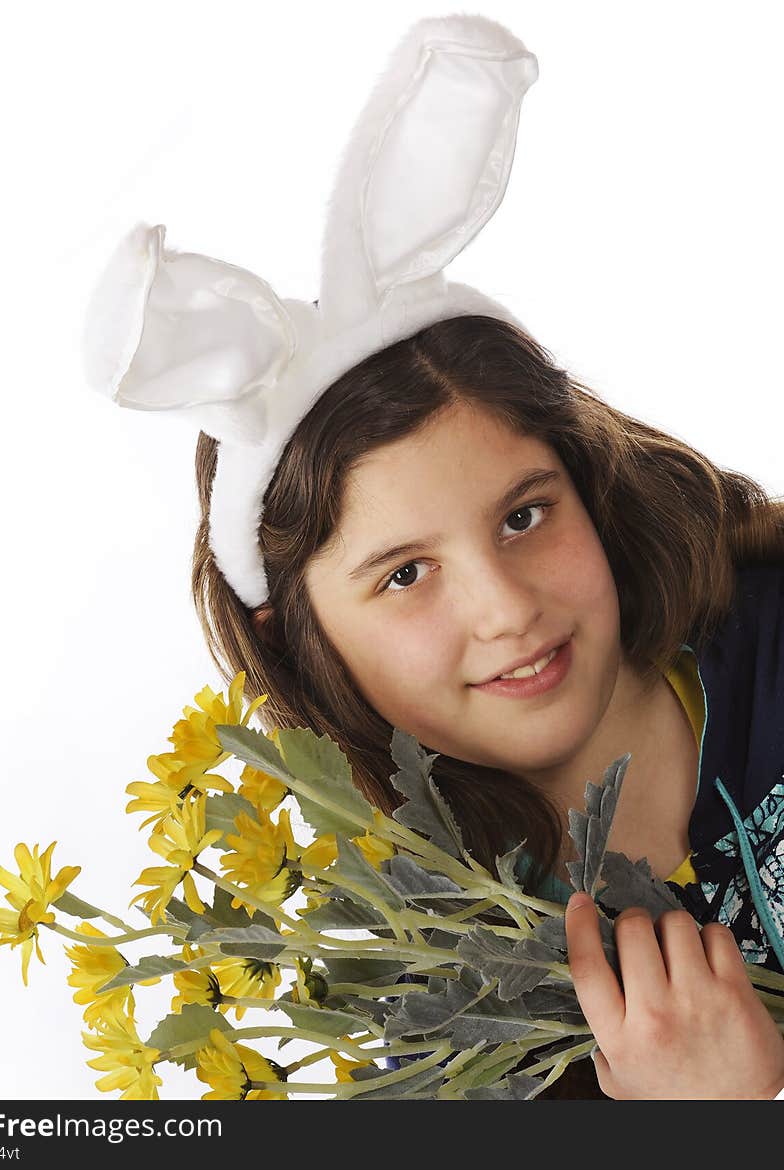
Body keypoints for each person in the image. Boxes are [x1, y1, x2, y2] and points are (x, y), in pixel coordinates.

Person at [82, 14, 784, 1098]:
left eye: (521, 517)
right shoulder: (434, 1011)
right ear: (297, 636)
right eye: (405, 574)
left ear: (586, 485)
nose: (505, 609)